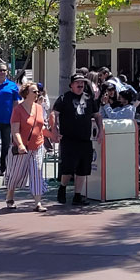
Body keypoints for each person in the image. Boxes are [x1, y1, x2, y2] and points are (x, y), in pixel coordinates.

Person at [51, 74, 99, 206]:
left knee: (83, 169)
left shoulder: (89, 98)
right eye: (77, 82)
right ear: (71, 85)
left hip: (85, 139)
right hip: (69, 139)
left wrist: (100, 130)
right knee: (68, 168)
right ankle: (62, 188)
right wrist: (54, 130)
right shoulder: (64, 98)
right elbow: (54, 113)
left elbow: (97, 115)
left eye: (82, 83)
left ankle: (78, 196)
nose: (80, 85)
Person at [4, 81, 52, 212]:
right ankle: (10, 195)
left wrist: (53, 136)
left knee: (37, 172)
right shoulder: (17, 110)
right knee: (16, 174)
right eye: (34, 91)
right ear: (26, 93)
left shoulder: (39, 108)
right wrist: (20, 145)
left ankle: (38, 203)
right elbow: (15, 130)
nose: (37, 93)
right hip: (22, 148)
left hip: (37, 146)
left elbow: (41, 128)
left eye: (38, 91)